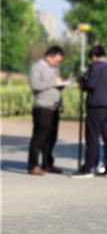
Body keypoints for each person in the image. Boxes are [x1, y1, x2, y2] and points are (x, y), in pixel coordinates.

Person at [72, 45, 107, 178]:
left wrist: (83, 82)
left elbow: (91, 84)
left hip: (97, 105)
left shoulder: (97, 66)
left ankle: (89, 167)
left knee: (92, 137)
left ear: (93, 56)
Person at [27, 45, 66, 175]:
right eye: (57, 60)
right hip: (42, 107)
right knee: (39, 137)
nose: (58, 63)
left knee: (51, 138)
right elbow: (35, 85)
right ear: (50, 56)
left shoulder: (54, 68)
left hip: (54, 107)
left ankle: (48, 164)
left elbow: (55, 84)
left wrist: (61, 85)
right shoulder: (36, 67)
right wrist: (53, 83)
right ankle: (33, 165)